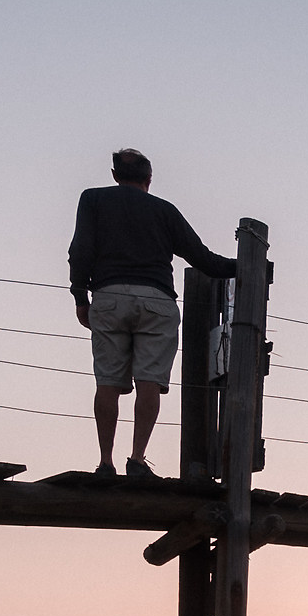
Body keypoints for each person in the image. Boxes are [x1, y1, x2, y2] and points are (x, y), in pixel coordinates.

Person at [66, 148, 238, 479]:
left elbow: (81, 250)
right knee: (149, 382)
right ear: (149, 178)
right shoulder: (164, 211)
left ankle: (105, 462)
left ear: (115, 176)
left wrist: (79, 295)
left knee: (108, 381)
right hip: (156, 300)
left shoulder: (93, 200)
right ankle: (137, 459)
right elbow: (202, 258)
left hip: (109, 295)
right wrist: (245, 265)